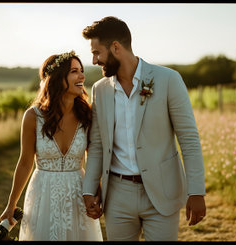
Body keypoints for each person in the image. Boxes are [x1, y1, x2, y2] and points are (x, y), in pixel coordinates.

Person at [81, 16, 206, 241]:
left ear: (116, 47)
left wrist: (196, 191)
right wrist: (89, 190)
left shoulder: (168, 79)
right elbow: (97, 144)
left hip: (162, 192)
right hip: (117, 196)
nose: (93, 60)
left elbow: (188, 138)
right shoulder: (100, 90)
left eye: (97, 52)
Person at [0, 51, 103, 241]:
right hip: (43, 193)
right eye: (74, 71)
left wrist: (97, 193)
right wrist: (11, 204)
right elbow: (24, 163)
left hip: (77, 194)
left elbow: (94, 158)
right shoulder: (33, 116)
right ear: (57, 78)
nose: (82, 76)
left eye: (81, 70)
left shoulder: (87, 114)